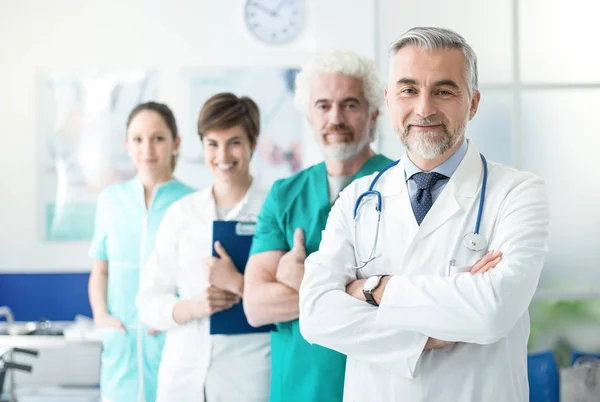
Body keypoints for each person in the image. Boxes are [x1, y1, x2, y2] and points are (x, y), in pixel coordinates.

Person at [299, 27, 551, 402]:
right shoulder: (357, 198)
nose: (424, 108)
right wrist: (431, 332)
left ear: (473, 102)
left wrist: (371, 289)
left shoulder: (517, 193)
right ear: (387, 99)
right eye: (408, 90)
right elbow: (317, 314)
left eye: (444, 90)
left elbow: (493, 311)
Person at [243, 51, 393, 402]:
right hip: (298, 386)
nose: (335, 118)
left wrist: (303, 280)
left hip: (377, 385)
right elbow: (256, 306)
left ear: (373, 115)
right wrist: (359, 289)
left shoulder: (402, 185)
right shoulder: (284, 195)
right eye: (323, 106)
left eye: (350, 104)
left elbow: (409, 298)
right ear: (309, 117)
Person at [136, 93, 271, 402]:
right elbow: (148, 300)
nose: (222, 155)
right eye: (212, 143)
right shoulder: (181, 214)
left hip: (249, 378)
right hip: (182, 378)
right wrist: (193, 307)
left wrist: (239, 284)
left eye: (234, 142)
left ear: (253, 142)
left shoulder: (273, 210)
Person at [88, 102, 195, 402]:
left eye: (158, 138)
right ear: (126, 144)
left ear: (175, 143)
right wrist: (101, 317)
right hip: (120, 344)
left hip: (169, 338)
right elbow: (101, 269)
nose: (147, 148)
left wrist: (172, 316)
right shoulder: (110, 200)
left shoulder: (192, 203)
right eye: (138, 139)